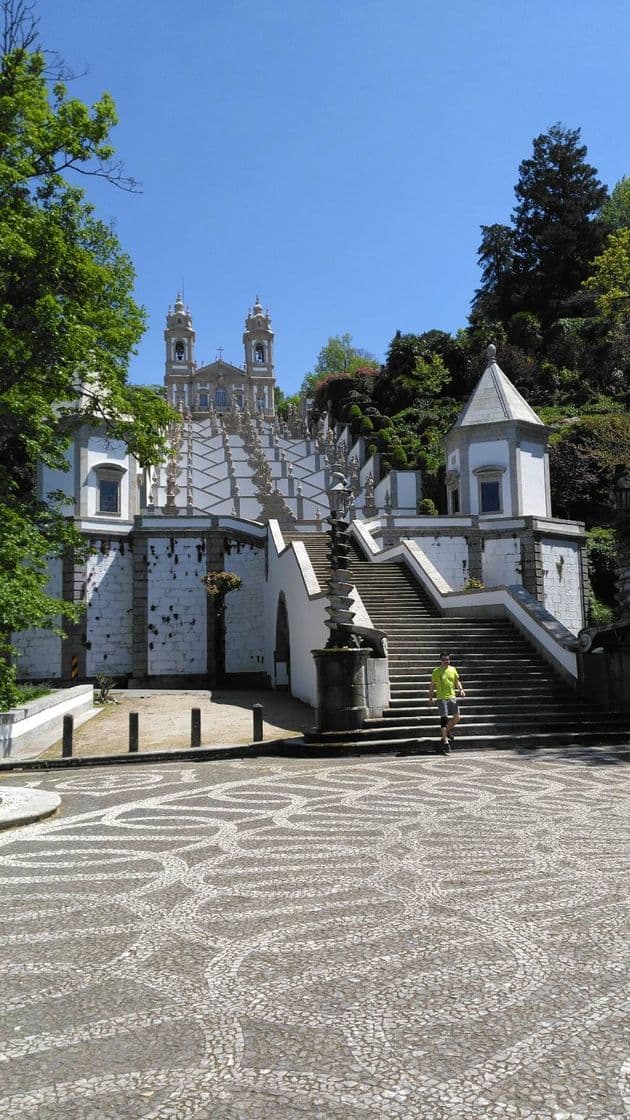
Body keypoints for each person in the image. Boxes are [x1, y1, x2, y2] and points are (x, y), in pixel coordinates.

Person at [428, 651, 465, 754]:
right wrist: (430, 698)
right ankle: (445, 741)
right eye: (444, 659)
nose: (446, 661)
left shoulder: (453, 670)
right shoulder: (436, 671)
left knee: (457, 717)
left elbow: (456, 681)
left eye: (447, 659)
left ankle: (447, 731)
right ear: (441, 660)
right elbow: (432, 685)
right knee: (444, 718)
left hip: (452, 697)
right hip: (441, 698)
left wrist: (461, 689)